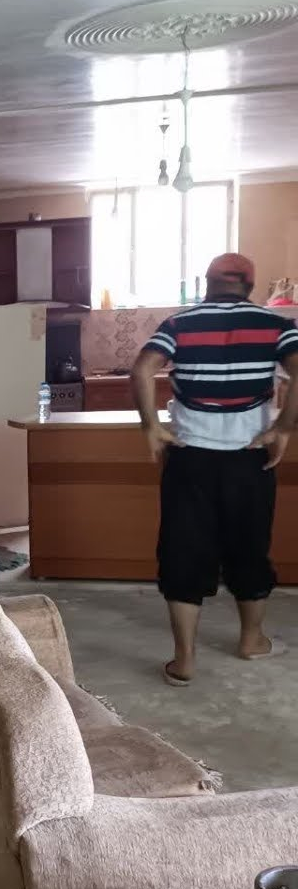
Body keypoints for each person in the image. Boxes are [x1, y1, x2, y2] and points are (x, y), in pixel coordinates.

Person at [131, 252, 298, 685]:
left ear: (207, 283)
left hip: (190, 457)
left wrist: (151, 426)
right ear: (250, 285)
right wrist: (283, 428)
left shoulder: (179, 324)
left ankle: (184, 660)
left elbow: (143, 368)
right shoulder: (276, 324)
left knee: (182, 550)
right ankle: (251, 640)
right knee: (250, 545)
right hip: (251, 457)